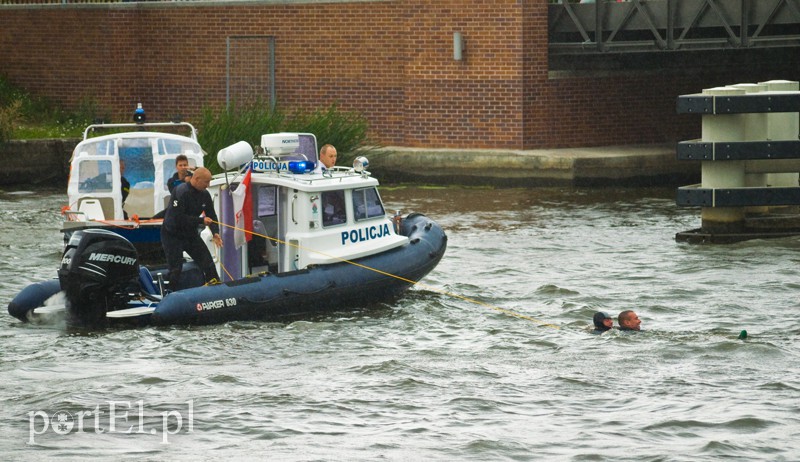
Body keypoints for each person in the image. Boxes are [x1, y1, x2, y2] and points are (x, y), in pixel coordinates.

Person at [160, 167, 223, 289]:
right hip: (172, 234)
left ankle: (216, 289)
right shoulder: (181, 191)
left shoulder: (205, 194)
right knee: (176, 269)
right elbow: (178, 218)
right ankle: (170, 293)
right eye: (206, 182)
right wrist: (201, 221)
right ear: (197, 179)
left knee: (208, 263)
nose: (208, 185)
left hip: (190, 234)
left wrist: (215, 233)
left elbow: (211, 215)